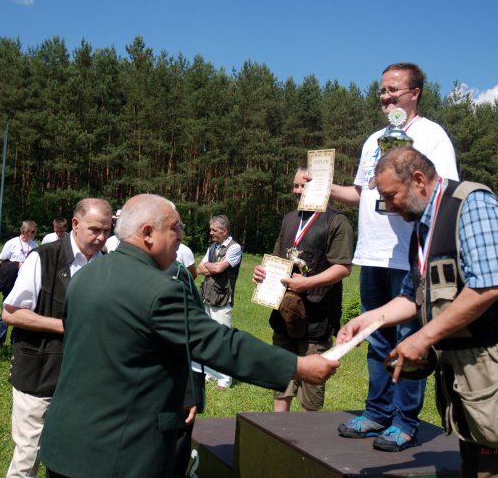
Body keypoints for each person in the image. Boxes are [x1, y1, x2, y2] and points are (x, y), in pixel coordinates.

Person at [39, 194, 339, 478]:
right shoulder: (159, 289)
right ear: (147, 233)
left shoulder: (84, 277)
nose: (180, 236)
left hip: (63, 446)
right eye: (174, 229)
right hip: (117, 456)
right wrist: (297, 367)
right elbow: (218, 343)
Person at [337, 146, 498, 477]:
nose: (387, 207)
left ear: (418, 180)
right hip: (471, 378)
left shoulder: (473, 204)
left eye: (391, 196)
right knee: (472, 468)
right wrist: (368, 321)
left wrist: (422, 338)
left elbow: (488, 288)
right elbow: (412, 297)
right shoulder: (423, 226)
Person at [331, 62, 459, 452]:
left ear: (415, 92)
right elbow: (360, 193)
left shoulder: (431, 135)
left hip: (409, 256)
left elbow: (446, 188)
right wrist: (321, 187)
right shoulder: (373, 141)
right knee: (376, 338)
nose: (386, 97)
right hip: (372, 253)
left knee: (408, 337)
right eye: (382, 90)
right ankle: (377, 412)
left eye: (394, 90)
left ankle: (404, 421)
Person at [1, 199, 112, 478]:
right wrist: (65, 325)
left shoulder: (107, 264)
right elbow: (11, 313)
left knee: (73, 456)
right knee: (29, 453)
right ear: (75, 224)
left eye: (107, 231)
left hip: (86, 379)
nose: (101, 237)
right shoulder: (44, 257)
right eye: (95, 230)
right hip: (40, 373)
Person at [253, 166, 354, 412]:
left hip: (317, 318)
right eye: (295, 185)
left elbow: (343, 267)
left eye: (303, 186)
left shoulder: (336, 221)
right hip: (284, 314)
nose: (296, 191)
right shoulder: (289, 218)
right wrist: (262, 273)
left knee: (310, 393)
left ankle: (305, 446)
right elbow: (277, 259)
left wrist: (307, 283)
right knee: (281, 383)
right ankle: (277, 437)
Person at [196, 215, 241, 389]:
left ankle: (225, 379)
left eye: (214, 230)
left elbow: (219, 268)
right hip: (207, 297)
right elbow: (199, 268)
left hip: (222, 299)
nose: (211, 232)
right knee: (208, 337)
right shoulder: (213, 247)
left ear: (224, 231)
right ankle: (209, 373)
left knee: (223, 339)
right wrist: (211, 267)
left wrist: (211, 266)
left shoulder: (235, 248)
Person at [0, 221, 38, 349]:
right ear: (24, 231)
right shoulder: (12, 243)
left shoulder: (34, 246)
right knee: (5, 310)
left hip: (25, 282)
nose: (34, 233)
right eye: (32, 231)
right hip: (11, 281)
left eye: (35, 231)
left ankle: (14, 341)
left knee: (21, 311)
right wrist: (9, 272)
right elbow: (1, 261)